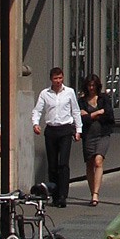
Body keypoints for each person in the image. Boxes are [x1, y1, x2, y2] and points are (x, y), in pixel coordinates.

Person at [31, 66, 81, 208]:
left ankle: (63, 195)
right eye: (55, 79)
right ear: (51, 79)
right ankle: (54, 192)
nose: (58, 81)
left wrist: (78, 130)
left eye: (60, 78)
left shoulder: (69, 92)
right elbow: (38, 110)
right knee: (52, 165)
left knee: (63, 164)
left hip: (65, 129)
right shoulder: (45, 94)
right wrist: (35, 124)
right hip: (51, 130)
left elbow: (75, 111)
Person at [79, 73, 114, 206]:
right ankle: (91, 191)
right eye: (89, 85)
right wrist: (97, 113)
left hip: (102, 134)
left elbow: (110, 116)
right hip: (88, 136)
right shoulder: (82, 101)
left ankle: (95, 194)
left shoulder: (104, 98)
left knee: (98, 160)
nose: (91, 88)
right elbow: (82, 119)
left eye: (93, 85)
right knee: (89, 163)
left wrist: (90, 115)